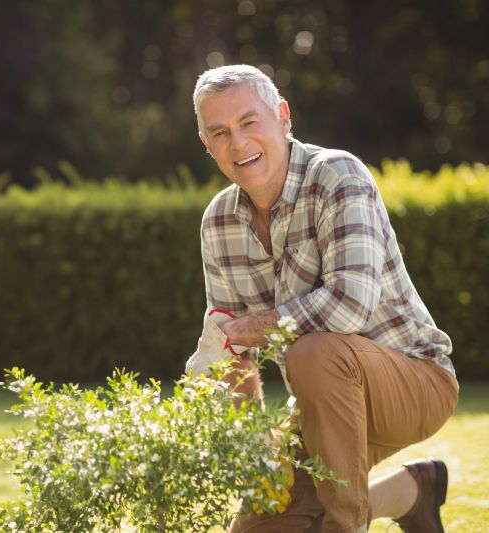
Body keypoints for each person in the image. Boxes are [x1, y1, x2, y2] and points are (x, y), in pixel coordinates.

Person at [185, 64, 458, 533]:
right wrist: (255, 457)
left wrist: (255, 327)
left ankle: (345, 527)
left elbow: (349, 306)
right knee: (261, 527)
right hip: (324, 407)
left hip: (415, 381)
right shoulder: (218, 222)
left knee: (315, 350)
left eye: (250, 122)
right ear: (206, 144)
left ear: (283, 117)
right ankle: (415, 493)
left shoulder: (337, 174)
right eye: (220, 132)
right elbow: (235, 358)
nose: (238, 143)